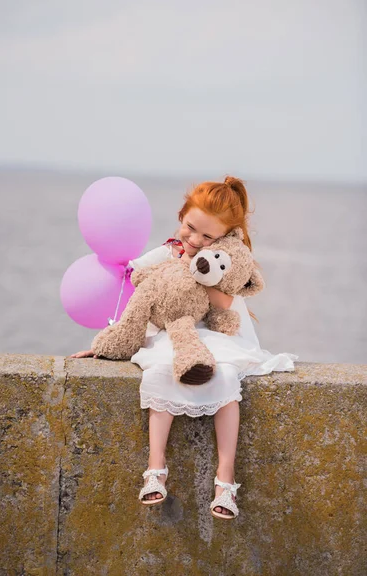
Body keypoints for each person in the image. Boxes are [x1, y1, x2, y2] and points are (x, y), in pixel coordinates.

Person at [71, 175, 297, 520]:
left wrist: (199, 269)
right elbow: (137, 292)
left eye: (207, 236)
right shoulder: (167, 252)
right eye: (190, 228)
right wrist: (109, 342)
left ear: (221, 237)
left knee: (225, 382)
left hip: (214, 335)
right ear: (181, 216)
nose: (194, 239)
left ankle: (225, 478)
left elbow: (223, 302)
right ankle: (155, 468)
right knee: (161, 370)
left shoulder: (223, 261)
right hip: (170, 335)